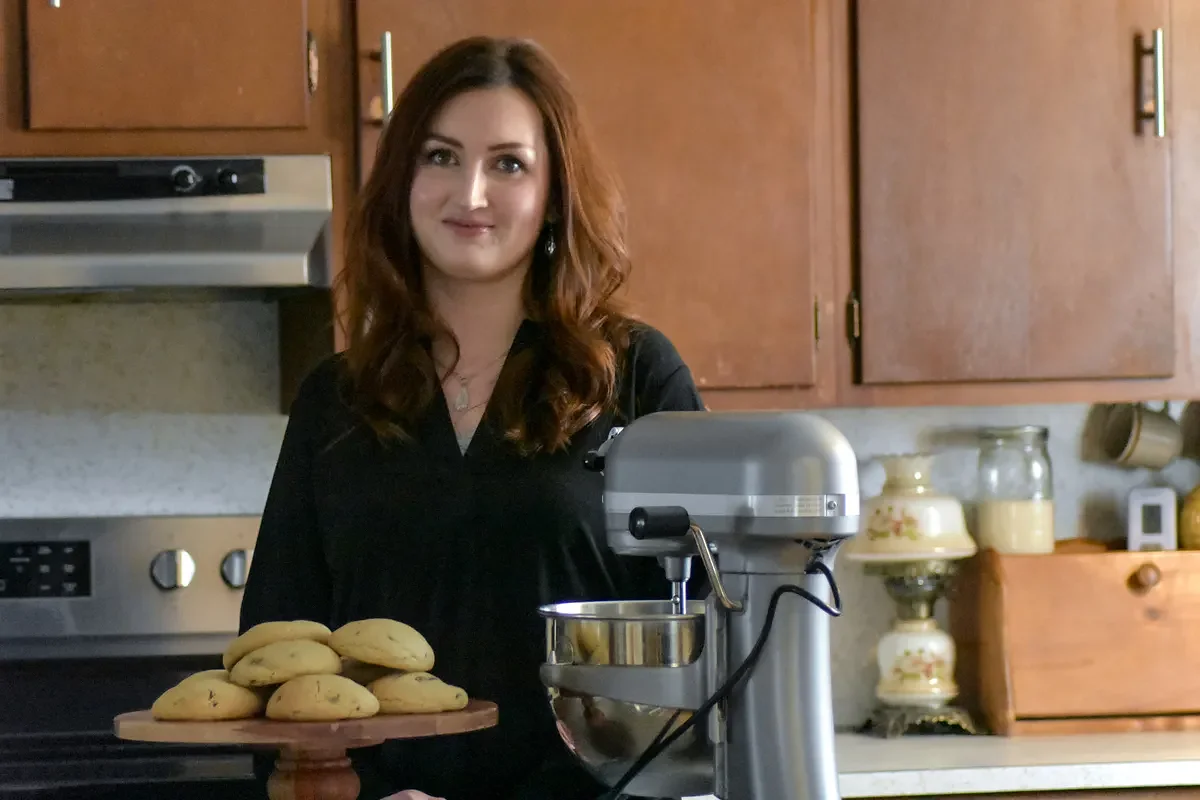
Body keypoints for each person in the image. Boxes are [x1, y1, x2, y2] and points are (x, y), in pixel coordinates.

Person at [237, 35, 707, 800]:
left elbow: (701, 661)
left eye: (509, 163)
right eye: (441, 157)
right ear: (402, 181)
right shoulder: (335, 400)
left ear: (553, 191)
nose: (472, 194)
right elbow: (274, 666)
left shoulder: (636, 379)